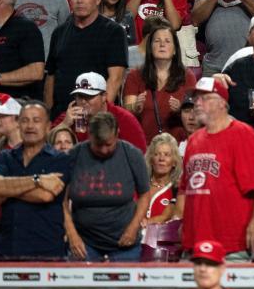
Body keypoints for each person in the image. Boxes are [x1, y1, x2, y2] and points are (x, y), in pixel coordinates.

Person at [176, 77, 254, 261]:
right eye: (196, 99)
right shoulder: (194, 140)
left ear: (222, 103)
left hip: (231, 242)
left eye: (204, 98)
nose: (197, 104)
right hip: (194, 242)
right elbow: (184, 187)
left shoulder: (243, 134)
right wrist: (184, 220)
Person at [64, 111, 149, 261]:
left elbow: (144, 194)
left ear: (117, 134)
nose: (104, 150)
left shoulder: (133, 155)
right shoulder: (73, 156)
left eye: (109, 144)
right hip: (84, 242)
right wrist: (72, 235)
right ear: (89, 135)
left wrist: (134, 227)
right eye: (98, 145)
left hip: (124, 242)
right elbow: (61, 200)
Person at [0, 102, 70, 259]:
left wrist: (9, 190)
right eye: (25, 120)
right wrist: (37, 180)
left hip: (47, 252)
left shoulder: (60, 159)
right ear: (18, 124)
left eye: (36, 120)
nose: (30, 126)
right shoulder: (5, 157)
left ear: (48, 126)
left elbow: (45, 196)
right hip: (8, 250)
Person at [123, 24, 197, 142]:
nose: (162, 44)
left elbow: (195, 113)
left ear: (174, 50)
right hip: (144, 145)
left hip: (177, 146)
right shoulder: (135, 75)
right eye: (157, 41)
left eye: (167, 41)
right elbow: (127, 109)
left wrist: (180, 110)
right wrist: (135, 107)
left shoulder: (187, 76)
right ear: (150, 48)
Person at [57, 71, 147, 150]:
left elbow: (138, 155)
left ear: (104, 96)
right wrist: (64, 124)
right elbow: (45, 149)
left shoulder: (123, 119)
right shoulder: (68, 117)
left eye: (89, 96)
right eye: (80, 96)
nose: (83, 101)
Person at [142, 133, 182, 224]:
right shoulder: (140, 185)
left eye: (167, 155)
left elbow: (166, 217)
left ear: (174, 162)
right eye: (157, 154)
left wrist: (144, 223)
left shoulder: (177, 189)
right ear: (151, 160)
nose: (161, 159)